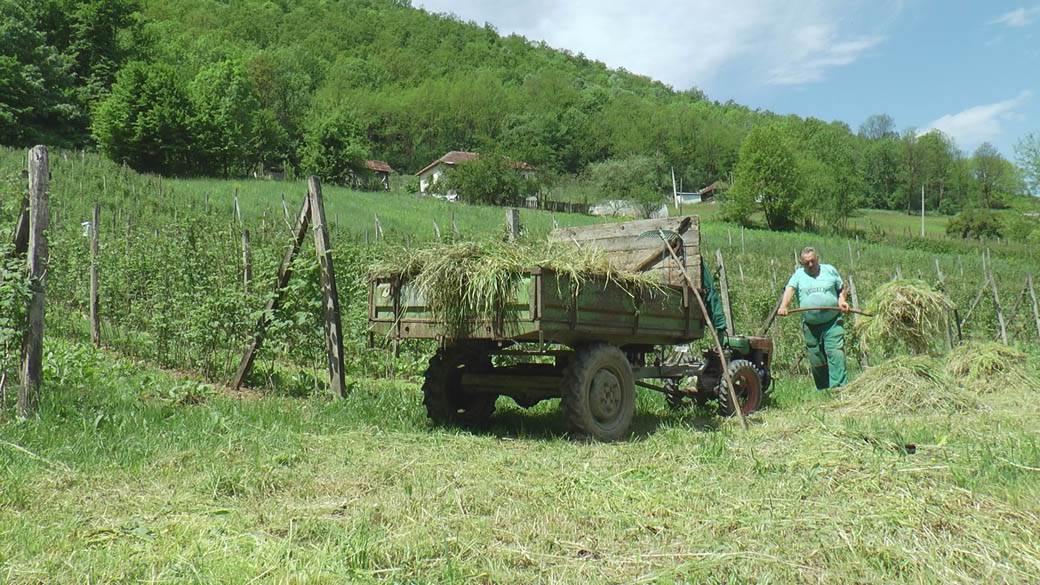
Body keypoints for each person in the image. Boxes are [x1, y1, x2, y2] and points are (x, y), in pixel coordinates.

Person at [777, 247, 850, 390]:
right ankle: (824, 391)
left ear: (818, 259)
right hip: (811, 326)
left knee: (835, 353)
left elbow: (840, 288)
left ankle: (839, 390)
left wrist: (842, 301)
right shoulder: (798, 275)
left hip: (832, 322)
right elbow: (790, 289)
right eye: (806, 263)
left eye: (812, 261)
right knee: (817, 359)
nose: (810, 265)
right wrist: (784, 306)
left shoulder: (829, 270)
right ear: (801, 263)